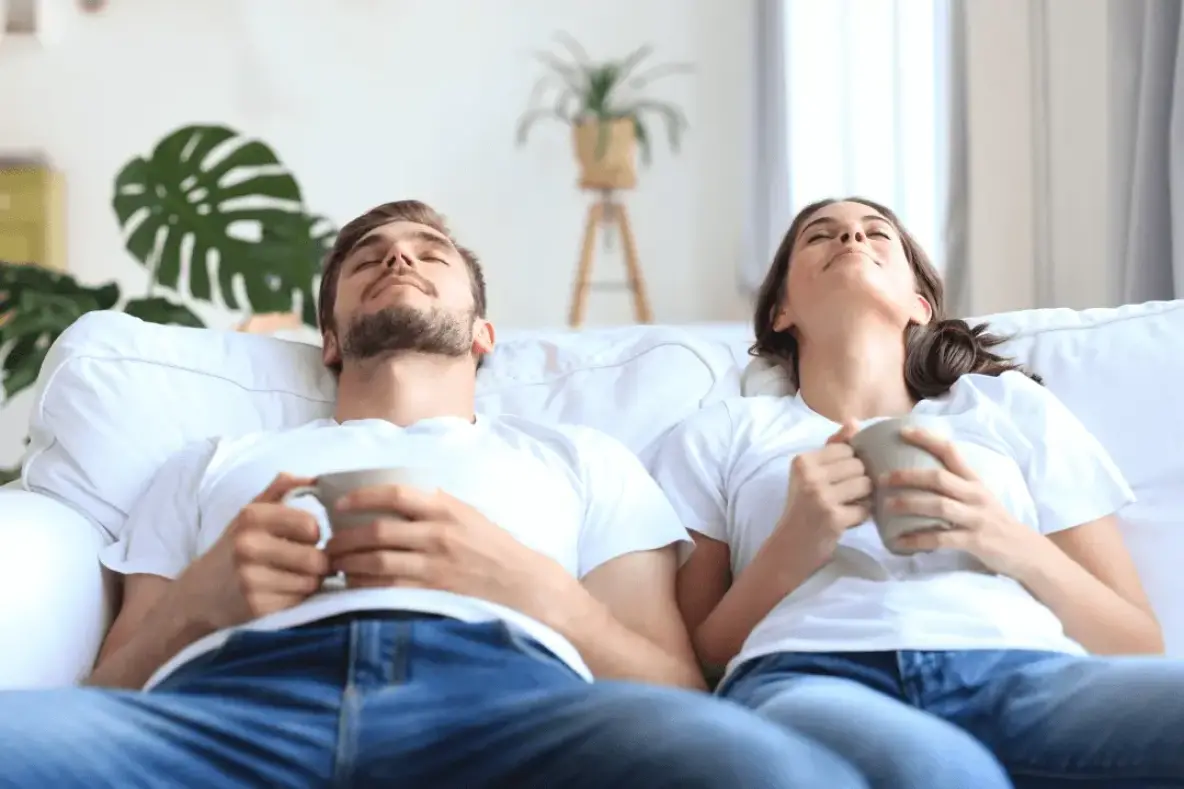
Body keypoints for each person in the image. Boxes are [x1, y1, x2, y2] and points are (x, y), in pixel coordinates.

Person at [0, 200, 869, 789]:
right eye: (368, 258)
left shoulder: (580, 457)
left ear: (484, 334)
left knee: (784, 773)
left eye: (429, 253)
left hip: (511, 709)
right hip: (228, 711)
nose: (398, 258)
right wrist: (202, 601)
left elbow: (675, 686)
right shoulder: (210, 460)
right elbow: (108, 686)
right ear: (331, 340)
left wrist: (526, 587)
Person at [650, 197, 1184, 789]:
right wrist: (792, 545)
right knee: (944, 774)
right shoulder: (723, 431)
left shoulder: (1008, 406)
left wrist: (1001, 537)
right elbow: (696, 661)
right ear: (780, 310)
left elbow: (1137, 641)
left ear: (919, 305)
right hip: (813, 674)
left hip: (1023, 669)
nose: (851, 237)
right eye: (819, 236)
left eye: (877, 233)